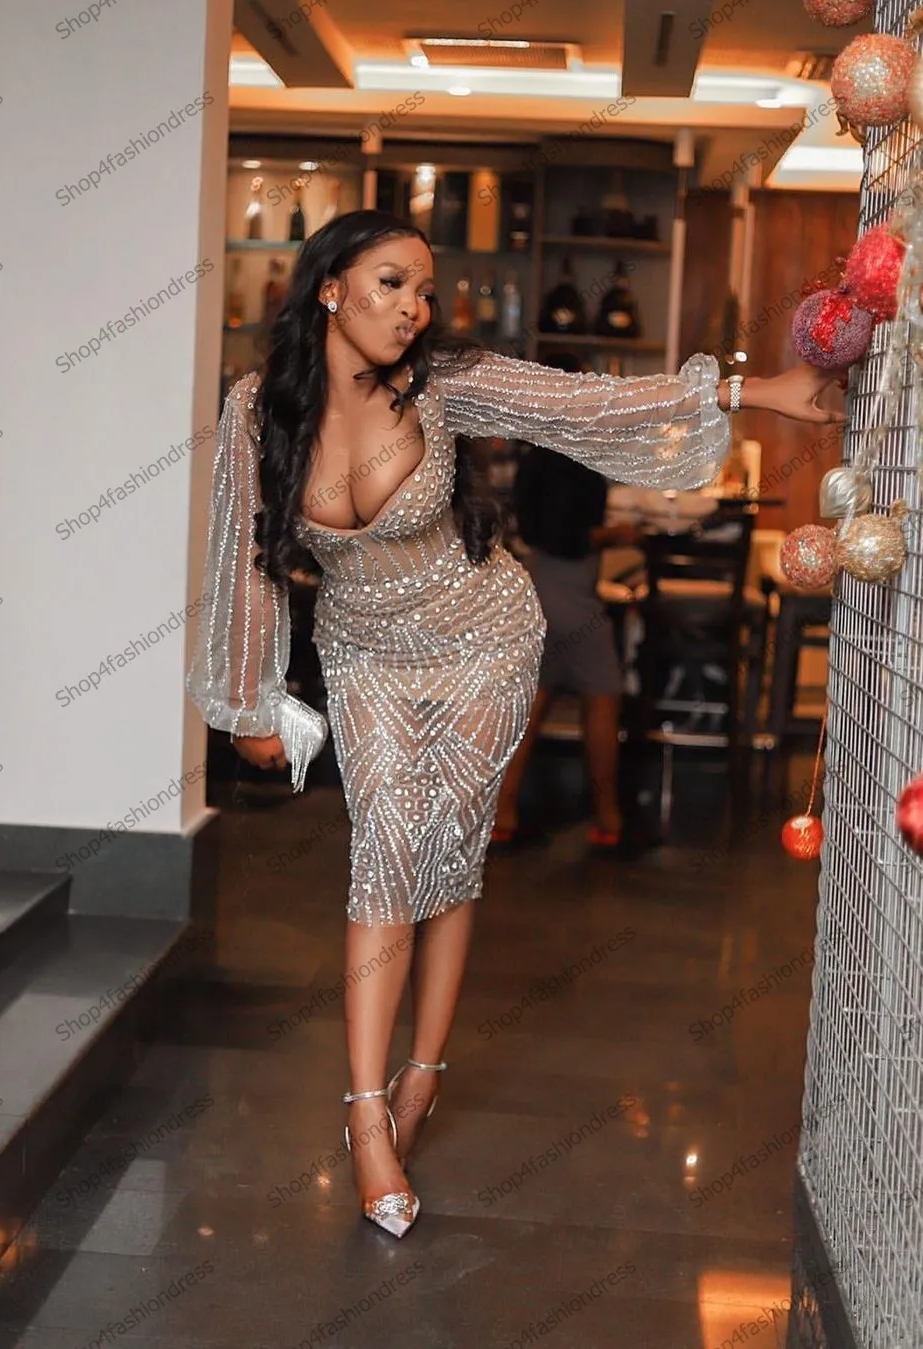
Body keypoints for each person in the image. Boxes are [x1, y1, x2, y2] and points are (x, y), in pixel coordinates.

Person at [187, 209, 843, 1239]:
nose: (415, 308)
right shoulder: (254, 406)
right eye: (393, 283)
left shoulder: (441, 382)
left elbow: (584, 401)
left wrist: (756, 390)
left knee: (448, 856)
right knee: (385, 853)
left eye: (425, 289)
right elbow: (245, 551)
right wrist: (249, 696)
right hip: (364, 653)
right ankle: (366, 1114)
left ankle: (421, 1075)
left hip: (482, 636)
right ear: (330, 288)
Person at [492, 441, 641, 853]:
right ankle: (609, 822)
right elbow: (565, 536)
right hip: (570, 593)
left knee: (533, 702)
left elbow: (540, 529)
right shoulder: (570, 457)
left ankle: (501, 816)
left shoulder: (534, 456)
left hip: (539, 582)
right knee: (604, 695)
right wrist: (615, 535)